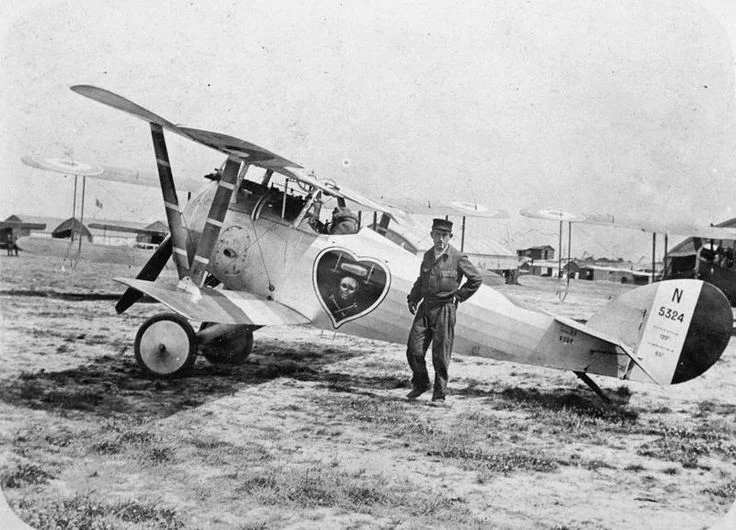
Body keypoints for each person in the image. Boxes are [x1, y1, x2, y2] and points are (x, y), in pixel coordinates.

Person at [405, 218, 481, 406]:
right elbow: (421, 279)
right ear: (431, 235)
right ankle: (421, 383)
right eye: (437, 235)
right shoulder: (428, 256)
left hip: (445, 309)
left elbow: (476, 279)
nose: (440, 239)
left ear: (450, 237)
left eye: (444, 236)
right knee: (413, 350)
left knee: (440, 354)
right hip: (425, 308)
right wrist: (413, 298)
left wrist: (459, 296)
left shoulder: (458, 257)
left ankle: (439, 395)